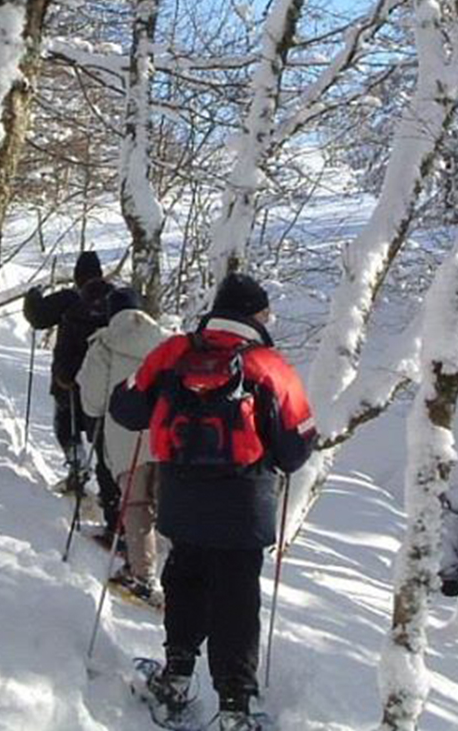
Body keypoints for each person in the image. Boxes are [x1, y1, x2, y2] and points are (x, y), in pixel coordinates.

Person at [110, 273, 316, 731]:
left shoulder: (175, 352)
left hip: (181, 491)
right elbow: (295, 451)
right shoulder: (269, 364)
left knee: (186, 576)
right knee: (237, 596)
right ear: (255, 315)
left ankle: (176, 677)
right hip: (245, 497)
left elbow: (125, 409)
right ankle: (234, 707)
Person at [76, 287, 170, 604]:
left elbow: (92, 401)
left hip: (125, 434)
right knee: (170, 505)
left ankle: (141, 575)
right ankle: (186, 581)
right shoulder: (169, 341)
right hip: (168, 433)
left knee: (136, 505)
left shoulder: (104, 343)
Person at [23, 251, 121, 537]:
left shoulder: (69, 299)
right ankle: (109, 493)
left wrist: (33, 295)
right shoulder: (116, 299)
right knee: (102, 439)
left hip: (68, 378)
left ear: (79, 276)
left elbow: (37, 317)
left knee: (65, 426)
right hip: (104, 382)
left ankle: (77, 468)